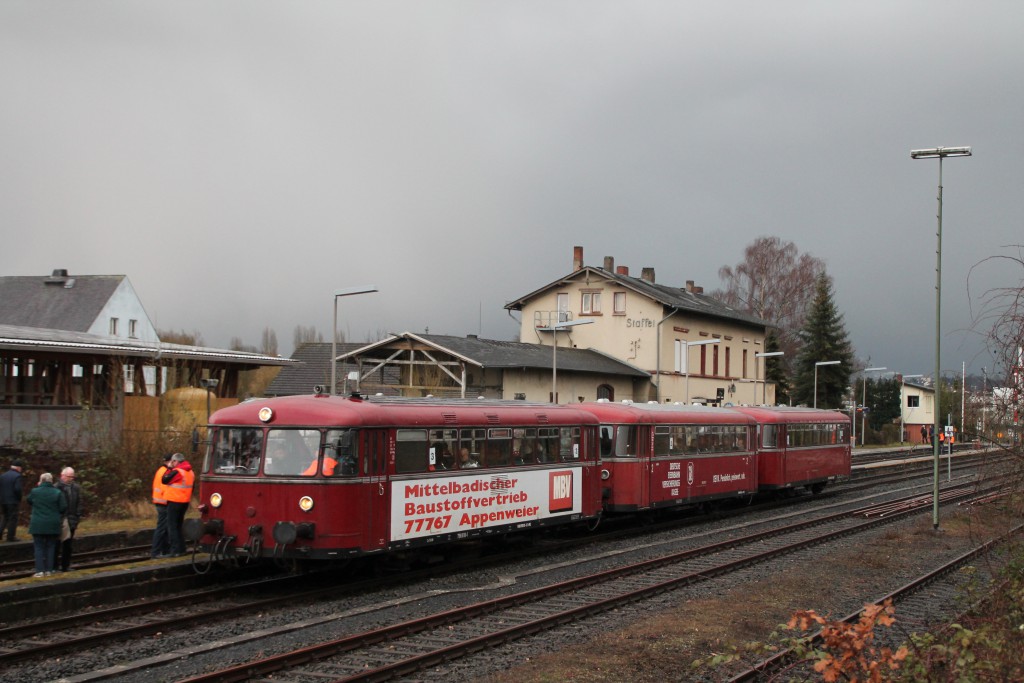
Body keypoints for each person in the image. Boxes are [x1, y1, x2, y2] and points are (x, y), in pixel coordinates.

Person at [27, 472, 66, 577]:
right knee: (51, 546)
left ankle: (40, 570)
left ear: (41, 481)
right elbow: (63, 507)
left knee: (39, 547)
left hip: (38, 523)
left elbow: (29, 500)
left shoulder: (35, 492)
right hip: (53, 523)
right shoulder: (57, 492)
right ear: (51, 481)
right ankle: (49, 570)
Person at [161, 453, 194, 557]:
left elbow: (164, 480)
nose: (172, 463)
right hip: (184, 502)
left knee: (172, 527)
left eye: (173, 461)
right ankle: (182, 549)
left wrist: (169, 468)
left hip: (174, 501)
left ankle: (176, 550)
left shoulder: (177, 472)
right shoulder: (190, 472)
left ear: (176, 461)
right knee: (178, 526)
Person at [55, 467, 82, 572]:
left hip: (72, 519)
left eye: (72, 477)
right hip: (61, 519)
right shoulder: (56, 487)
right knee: (57, 544)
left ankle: (65, 566)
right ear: (63, 475)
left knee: (68, 545)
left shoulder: (76, 488)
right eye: (69, 477)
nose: (71, 479)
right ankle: (55, 566)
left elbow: (79, 502)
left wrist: (77, 515)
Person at [150, 454, 173, 558]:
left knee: (165, 528)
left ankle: (165, 550)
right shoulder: (166, 472)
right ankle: (155, 552)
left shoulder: (160, 470)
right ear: (169, 461)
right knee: (162, 528)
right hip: (164, 503)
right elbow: (166, 488)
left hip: (159, 502)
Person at [0, 460, 24, 542]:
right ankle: (11, 537)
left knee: (4, 517)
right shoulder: (17, 476)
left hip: (3, 500)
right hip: (12, 501)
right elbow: (17, 489)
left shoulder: (3, 475)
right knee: (13, 519)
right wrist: (19, 498)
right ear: (18, 467)